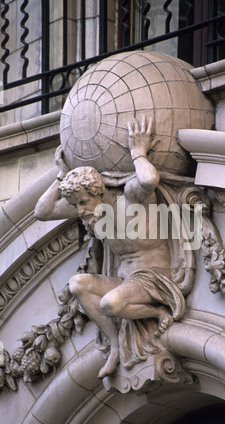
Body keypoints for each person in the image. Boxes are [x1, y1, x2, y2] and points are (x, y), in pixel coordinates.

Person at [35, 116, 187, 379]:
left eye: (83, 202)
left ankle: (158, 311)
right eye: (76, 205)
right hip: (126, 279)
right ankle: (115, 345)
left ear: (99, 193)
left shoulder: (130, 200)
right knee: (78, 284)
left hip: (155, 277)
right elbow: (42, 211)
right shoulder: (91, 212)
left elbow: (150, 180)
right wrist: (61, 175)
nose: (79, 211)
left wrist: (138, 153)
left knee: (111, 303)